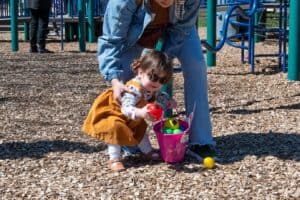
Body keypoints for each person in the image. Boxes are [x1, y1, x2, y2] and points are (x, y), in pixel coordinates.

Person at [97, 0, 217, 161]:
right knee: (126, 75)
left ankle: (200, 141)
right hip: (134, 37)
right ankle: (128, 137)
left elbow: (180, 31)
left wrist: (161, 67)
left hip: (178, 31)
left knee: (196, 64)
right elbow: (112, 40)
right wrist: (114, 80)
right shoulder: (125, 2)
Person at [82, 50, 175, 171]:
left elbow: (158, 95)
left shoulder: (151, 86)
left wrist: (168, 101)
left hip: (131, 114)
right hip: (114, 112)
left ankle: (147, 152)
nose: (157, 83)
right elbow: (125, 108)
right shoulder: (134, 89)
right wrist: (141, 112)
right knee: (115, 129)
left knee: (140, 128)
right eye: (154, 77)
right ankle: (114, 158)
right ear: (141, 72)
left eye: (162, 80)